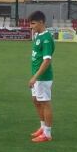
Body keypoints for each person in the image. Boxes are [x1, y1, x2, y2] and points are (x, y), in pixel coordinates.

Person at [28, 11, 55, 143]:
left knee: (45, 103)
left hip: (43, 77)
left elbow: (47, 61)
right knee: (35, 100)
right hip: (36, 76)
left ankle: (47, 134)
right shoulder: (37, 36)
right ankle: (42, 127)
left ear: (41, 22)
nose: (31, 26)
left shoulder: (46, 39)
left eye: (33, 23)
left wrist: (35, 77)